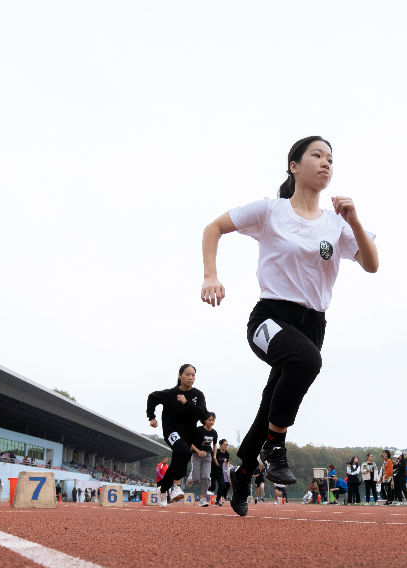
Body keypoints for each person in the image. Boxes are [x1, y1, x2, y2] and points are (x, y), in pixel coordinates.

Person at [199, 136, 380, 517]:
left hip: (313, 325)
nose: (326, 163)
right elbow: (213, 228)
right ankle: (274, 447)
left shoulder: (336, 223)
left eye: (331, 158)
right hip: (269, 318)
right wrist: (210, 276)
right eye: (317, 155)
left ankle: (243, 473)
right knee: (305, 362)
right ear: (294, 166)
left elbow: (371, 263)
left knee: (270, 406)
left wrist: (355, 221)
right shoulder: (270, 211)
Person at [146, 364, 211, 506]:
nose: (190, 377)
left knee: (179, 459)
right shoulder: (170, 394)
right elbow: (152, 397)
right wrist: (151, 417)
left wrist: (187, 403)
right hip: (171, 431)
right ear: (180, 375)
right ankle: (176, 486)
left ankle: (162, 489)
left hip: (188, 434)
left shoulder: (197, 395)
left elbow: (203, 415)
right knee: (183, 451)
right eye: (187, 374)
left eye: (193, 375)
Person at [189, 413, 218, 507]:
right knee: (196, 479)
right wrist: (198, 451)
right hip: (196, 454)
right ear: (205, 420)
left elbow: (214, 445)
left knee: (206, 477)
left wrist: (214, 456)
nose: (211, 422)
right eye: (209, 420)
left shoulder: (214, 433)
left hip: (207, 455)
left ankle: (203, 499)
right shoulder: (198, 430)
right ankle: (191, 477)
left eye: (213, 420)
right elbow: (189, 442)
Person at [212, 439, 231, 506]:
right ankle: (207, 486)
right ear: (220, 445)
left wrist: (227, 470)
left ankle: (217, 501)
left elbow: (227, 462)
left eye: (227, 445)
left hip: (219, 472)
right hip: (212, 471)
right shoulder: (216, 452)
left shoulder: (226, 453)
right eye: (225, 444)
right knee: (212, 487)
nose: (226, 446)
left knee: (222, 485)